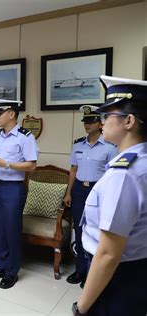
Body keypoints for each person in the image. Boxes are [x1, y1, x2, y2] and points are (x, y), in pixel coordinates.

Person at [73, 76, 147, 315]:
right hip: (136, 270)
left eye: (107, 115)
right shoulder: (141, 160)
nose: (101, 121)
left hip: (118, 277)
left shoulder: (125, 173)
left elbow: (107, 254)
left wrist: (82, 307)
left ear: (129, 121)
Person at [0, 98, 39, 289]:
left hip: (13, 189)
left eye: (0, 113)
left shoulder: (25, 136)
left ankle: (11, 272)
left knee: (11, 231)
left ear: (12, 114)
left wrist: (7, 164)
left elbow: (31, 165)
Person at [63, 105, 118, 288]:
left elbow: (113, 175)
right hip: (79, 190)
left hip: (98, 192)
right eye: (85, 121)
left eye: (91, 121)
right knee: (79, 230)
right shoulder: (78, 144)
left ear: (101, 123)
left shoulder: (110, 147)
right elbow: (73, 170)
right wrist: (68, 192)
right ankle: (80, 270)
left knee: (96, 233)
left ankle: (93, 274)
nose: (87, 125)